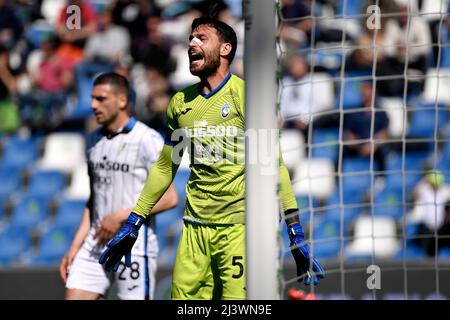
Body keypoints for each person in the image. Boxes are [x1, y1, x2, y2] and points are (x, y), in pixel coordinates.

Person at [99, 17, 324, 300]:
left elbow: (274, 168)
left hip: (238, 231)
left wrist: (295, 230)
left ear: (225, 49)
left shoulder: (249, 98)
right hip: (194, 232)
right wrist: (134, 220)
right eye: (190, 39)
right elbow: (167, 166)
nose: (192, 43)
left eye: (202, 38)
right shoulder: (181, 104)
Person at [59, 72, 179, 300]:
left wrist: (120, 217)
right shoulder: (93, 140)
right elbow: (94, 199)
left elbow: (170, 198)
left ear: (122, 101)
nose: (93, 104)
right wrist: (76, 244)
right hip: (95, 242)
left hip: (133, 244)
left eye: (101, 98)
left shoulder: (147, 139)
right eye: (93, 98)